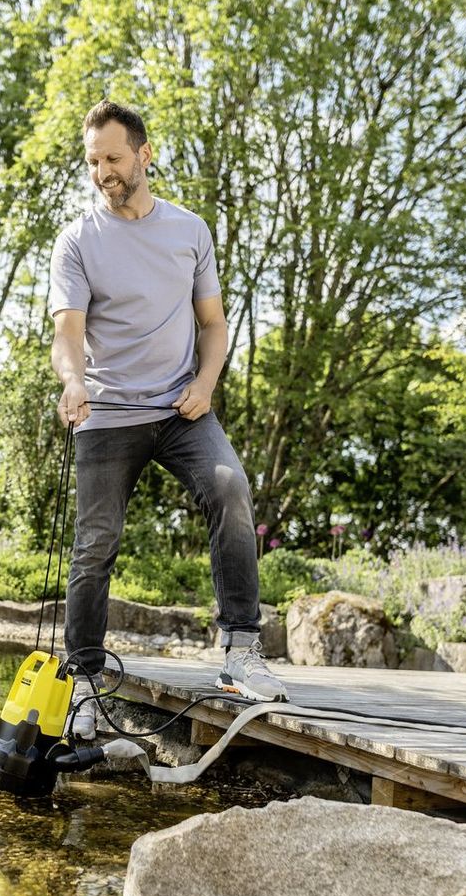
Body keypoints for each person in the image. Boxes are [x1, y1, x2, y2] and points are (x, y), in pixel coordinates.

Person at [48, 100, 288, 738]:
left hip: (183, 406)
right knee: (95, 543)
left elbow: (213, 324)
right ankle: (87, 684)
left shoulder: (190, 232)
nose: (103, 172)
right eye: (94, 160)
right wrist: (73, 382)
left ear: (144, 154)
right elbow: (67, 335)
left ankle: (240, 652)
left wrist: (206, 385)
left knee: (231, 488)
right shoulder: (77, 240)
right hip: (107, 411)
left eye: (114, 158)